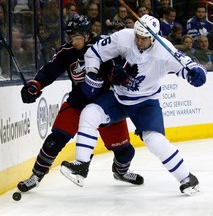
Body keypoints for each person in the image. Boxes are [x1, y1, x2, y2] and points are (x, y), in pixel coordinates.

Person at [61, 14, 207, 195]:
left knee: (155, 140)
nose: (139, 41)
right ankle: (81, 167)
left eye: (144, 38)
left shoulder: (164, 50)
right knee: (90, 113)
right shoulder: (124, 37)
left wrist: (197, 73)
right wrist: (91, 73)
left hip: (145, 102)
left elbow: (187, 65)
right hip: (118, 96)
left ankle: (187, 178)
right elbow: (94, 53)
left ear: (153, 37)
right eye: (137, 36)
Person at [17, 13, 144, 192]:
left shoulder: (104, 46)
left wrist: (119, 74)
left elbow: (120, 66)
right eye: (70, 37)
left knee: (125, 151)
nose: (73, 42)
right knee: (54, 141)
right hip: (78, 103)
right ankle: (36, 176)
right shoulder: (67, 52)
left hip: (106, 106)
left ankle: (120, 171)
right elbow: (49, 71)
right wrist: (34, 85)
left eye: (76, 37)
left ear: (87, 34)